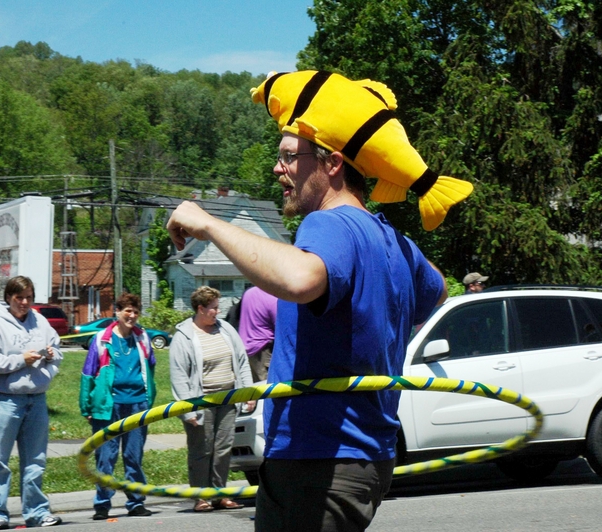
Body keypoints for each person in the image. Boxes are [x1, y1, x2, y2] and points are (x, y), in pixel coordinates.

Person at [165, 79, 448, 531]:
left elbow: (300, 278)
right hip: (365, 457)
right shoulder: (391, 239)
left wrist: (209, 224)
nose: (279, 169)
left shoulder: (328, 224)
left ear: (333, 163)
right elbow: (438, 289)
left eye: (289, 157)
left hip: (320, 458)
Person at [0, 276, 63, 529]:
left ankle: (37, 512)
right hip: (4, 400)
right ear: (8, 298)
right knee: (0, 461)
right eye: (19, 297)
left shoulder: (42, 322)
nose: (24, 302)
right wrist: (20, 360)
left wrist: (48, 365)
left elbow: (57, 351)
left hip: (36, 399)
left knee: (35, 459)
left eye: (28, 297)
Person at [169, 286, 255, 513]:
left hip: (227, 399)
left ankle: (220, 494)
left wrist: (248, 393)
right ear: (200, 309)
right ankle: (201, 496)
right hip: (201, 402)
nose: (218, 312)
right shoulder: (184, 336)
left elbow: (242, 361)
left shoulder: (225, 329)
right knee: (202, 450)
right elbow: (179, 376)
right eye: (213, 308)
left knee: (223, 448)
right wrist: (188, 409)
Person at [79, 293, 156, 521]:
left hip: (137, 404)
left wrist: (148, 400)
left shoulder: (143, 339)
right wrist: (87, 407)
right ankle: (102, 504)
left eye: (135, 311)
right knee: (106, 457)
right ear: (117, 312)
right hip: (108, 405)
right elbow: (88, 374)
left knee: (133, 457)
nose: (131, 316)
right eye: (127, 311)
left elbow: (150, 370)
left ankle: (135, 502)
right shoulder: (102, 339)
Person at [238, 286, 278, 381]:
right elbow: (281, 327)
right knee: (268, 388)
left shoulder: (249, 293)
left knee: (253, 389)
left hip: (245, 348)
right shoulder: (273, 297)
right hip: (264, 350)